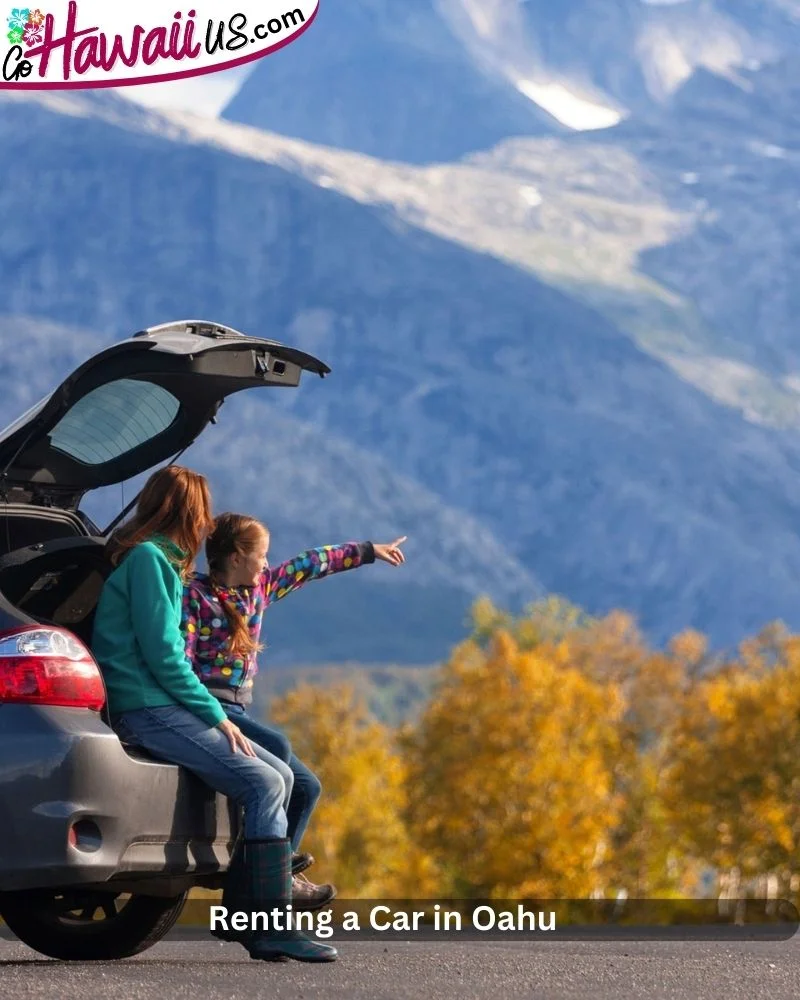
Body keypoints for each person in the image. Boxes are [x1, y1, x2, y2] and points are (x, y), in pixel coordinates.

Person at [91, 466, 337, 963]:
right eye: (202, 512)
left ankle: (249, 913)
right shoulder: (148, 562)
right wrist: (216, 716)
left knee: (283, 778)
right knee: (266, 783)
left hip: (160, 702)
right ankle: (268, 928)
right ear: (187, 511)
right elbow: (164, 657)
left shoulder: (158, 562)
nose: (206, 525)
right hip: (147, 707)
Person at [181, 513, 407, 906]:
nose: (268, 564)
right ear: (236, 557)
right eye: (262, 555)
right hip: (211, 708)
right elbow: (180, 660)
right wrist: (199, 710)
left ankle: (278, 868)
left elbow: (309, 564)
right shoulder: (194, 597)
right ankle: (263, 878)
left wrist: (369, 551)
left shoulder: (259, 589)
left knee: (308, 787)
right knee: (279, 747)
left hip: (240, 709)